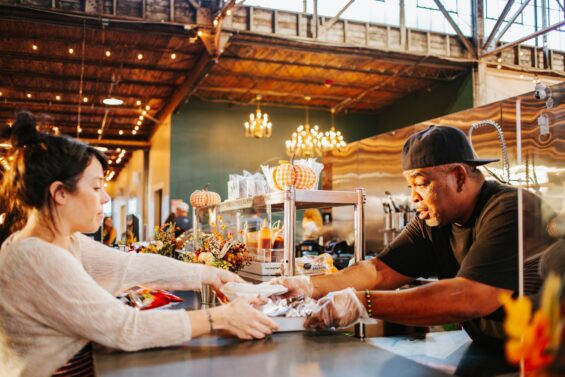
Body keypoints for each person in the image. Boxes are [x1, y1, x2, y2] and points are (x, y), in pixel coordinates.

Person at [0, 112, 278, 377]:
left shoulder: (63, 241)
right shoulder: (36, 256)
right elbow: (124, 328)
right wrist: (217, 319)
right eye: (96, 187)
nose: (105, 198)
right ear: (60, 193)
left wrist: (209, 275)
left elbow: (128, 266)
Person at [274, 125, 557, 348]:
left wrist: (363, 302)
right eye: (410, 185)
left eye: (421, 183)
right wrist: (308, 286)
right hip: (495, 351)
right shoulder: (434, 222)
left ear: (459, 176)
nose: (413, 197)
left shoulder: (512, 208)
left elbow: (470, 297)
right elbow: (379, 270)